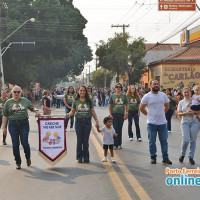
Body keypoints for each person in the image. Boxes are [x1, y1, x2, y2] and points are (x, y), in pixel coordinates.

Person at [2, 86, 40, 169]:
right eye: (15, 92)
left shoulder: (25, 101)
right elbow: (5, 115)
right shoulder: (8, 102)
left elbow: (32, 108)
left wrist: (36, 111)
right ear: (12, 93)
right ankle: (18, 162)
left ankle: (28, 157)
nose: (16, 93)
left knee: (25, 143)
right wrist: (3, 127)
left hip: (24, 124)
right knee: (15, 145)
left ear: (21, 93)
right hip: (12, 125)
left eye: (18, 92)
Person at [140, 80, 172, 165]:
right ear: (150, 86)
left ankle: (165, 158)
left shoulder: (163, 95)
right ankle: (153, 157)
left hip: (162, 123)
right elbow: (141, 108)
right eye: (154, 84)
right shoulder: (147, 96)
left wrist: (162, 113)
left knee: (164, 141)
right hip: (151, 123)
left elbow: (167, 106)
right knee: (152, 141)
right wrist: (149, 115)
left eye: (157, 84)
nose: (156, 85)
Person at [66, 86, 99, 163]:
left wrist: (96, 120)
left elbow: (92, 111)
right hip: (79, 122)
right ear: (78, 92)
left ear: (86, 92)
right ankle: (80, 157)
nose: (82, 92)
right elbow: (72, 111)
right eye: (81, 90)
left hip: (87, 122)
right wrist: (68, 114)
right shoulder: (75, 101)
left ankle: (86, 157)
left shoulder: (89, 101)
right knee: (79, 140)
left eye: (84, 91)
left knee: (85, 140)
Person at [177, 87, 200, 165]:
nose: (186, 93)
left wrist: (193, 112)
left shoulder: (195, 99)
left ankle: (191, 157)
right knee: (186, 140)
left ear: (191, 93)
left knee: (193, 140)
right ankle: (182, 154)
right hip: (185, 122)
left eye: (188, 92)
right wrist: (186, 113)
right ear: (183, 93)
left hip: (195, 122)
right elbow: (179, 114)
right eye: (185, 92)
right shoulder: (181, 102)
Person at [109, 83, 129, 150]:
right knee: (115, 129)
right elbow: (110, 106)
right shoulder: (112, 96)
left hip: (121, 114)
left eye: (119, 87)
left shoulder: (124, 96)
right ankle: (115, 144)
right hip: (114, 114)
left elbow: (126, 105)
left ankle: (119, 144)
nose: (118, 88)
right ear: (115, 88)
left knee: (120, 129)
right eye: (117, 87)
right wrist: (110, 114)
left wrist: (126, 113)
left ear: (121, 88)